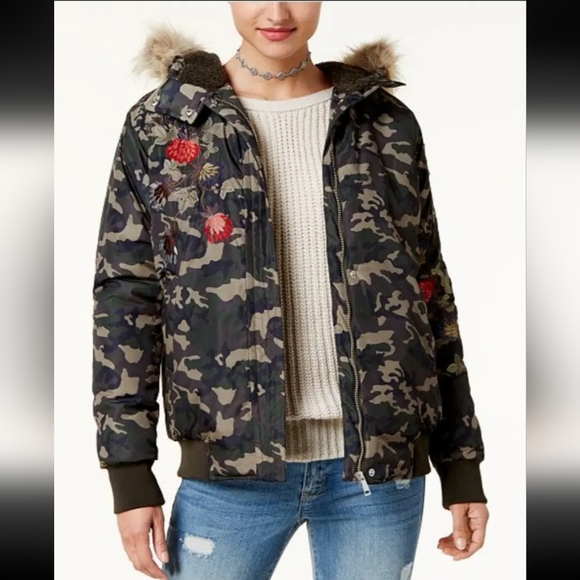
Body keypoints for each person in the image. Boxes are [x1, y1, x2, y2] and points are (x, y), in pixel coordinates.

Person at [92, 2, 489, 579]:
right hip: (228, 472)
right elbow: (126, 298)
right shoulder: (163, 123)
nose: (277, 11)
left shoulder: (383, 122)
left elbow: (429, 289)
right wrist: (129, 475)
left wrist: (461, 462)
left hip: (377, 471)